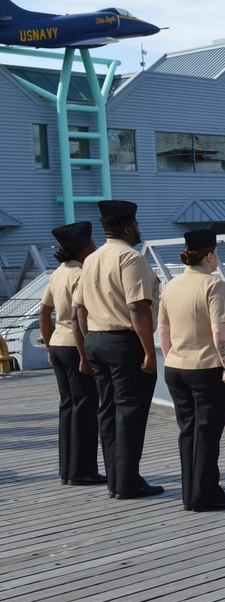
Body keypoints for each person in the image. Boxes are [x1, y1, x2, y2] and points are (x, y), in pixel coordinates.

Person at [72, 200, 163, 500]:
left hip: (96, 339)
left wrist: (88, 342)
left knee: (108, 411)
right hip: (125, 342)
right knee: (130, 413)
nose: (138, 229)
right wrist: (149, 352)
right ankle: (128, 483)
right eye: (136, 225)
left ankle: (115, 479)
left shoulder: (91, 260)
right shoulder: (131, 259)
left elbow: (80, 311)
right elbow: (137, 308)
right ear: (127, 228)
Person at [157, 229, 225, 512]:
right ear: (209, 256)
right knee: (207, 434)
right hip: (207, 368)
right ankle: (204, 495)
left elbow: (163, 331)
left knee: (188, 431)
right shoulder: (214, 286)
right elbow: (220, 330)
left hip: (176, 367)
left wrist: (172, 358)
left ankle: (190, 493)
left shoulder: (171, 286)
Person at [39, 221, 104, 486]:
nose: (94, 246)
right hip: (76, 345)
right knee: (86, 408)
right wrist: (85, 355)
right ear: (83, 248)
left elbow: (44, 312)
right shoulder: (81, 274)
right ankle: (82, 470)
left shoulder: (57, 273)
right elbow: (80, 316)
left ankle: (67, 468)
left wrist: (47, 344)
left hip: (58, 342)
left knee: (68, 406)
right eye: (91, 242)